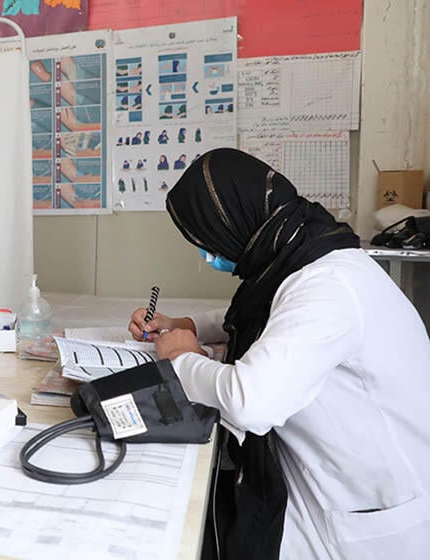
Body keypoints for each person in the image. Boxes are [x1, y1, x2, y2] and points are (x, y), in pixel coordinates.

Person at [128, 149, 430, 559]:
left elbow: (251, 401)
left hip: (368, 513)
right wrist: (190, 326)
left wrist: (182, 360)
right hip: (332, 479)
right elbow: (276, 314)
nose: (206, 256)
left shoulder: (329, 286)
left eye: (206, 243)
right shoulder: (306, 250)